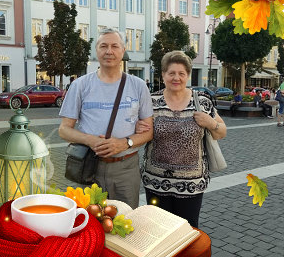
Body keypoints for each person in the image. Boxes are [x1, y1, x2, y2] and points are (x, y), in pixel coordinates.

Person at [58, 28, 153, 209]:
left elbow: (149, 132)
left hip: (126, 169)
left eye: (114, 46)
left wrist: (125, 143)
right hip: (89, 166)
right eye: (104, 46)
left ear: (123, 51)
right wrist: (90, 140)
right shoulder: (80, 85)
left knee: (125, 221)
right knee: (89, 223)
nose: (109, 51)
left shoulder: (138, 86)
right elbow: (64, 129)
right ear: (96, 51)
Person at [136, 51, 227, 228]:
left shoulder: (202, 101)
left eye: (181, 73)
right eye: (171, 73)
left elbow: (221, 132)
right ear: (163, 75)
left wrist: (210, 123)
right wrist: (137, 128)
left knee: (188, 230)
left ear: (188, 76)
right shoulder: (151, 101)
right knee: (158, 230)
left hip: (191, 184)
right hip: (156, 182)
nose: (176, 78)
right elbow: (140, 131)